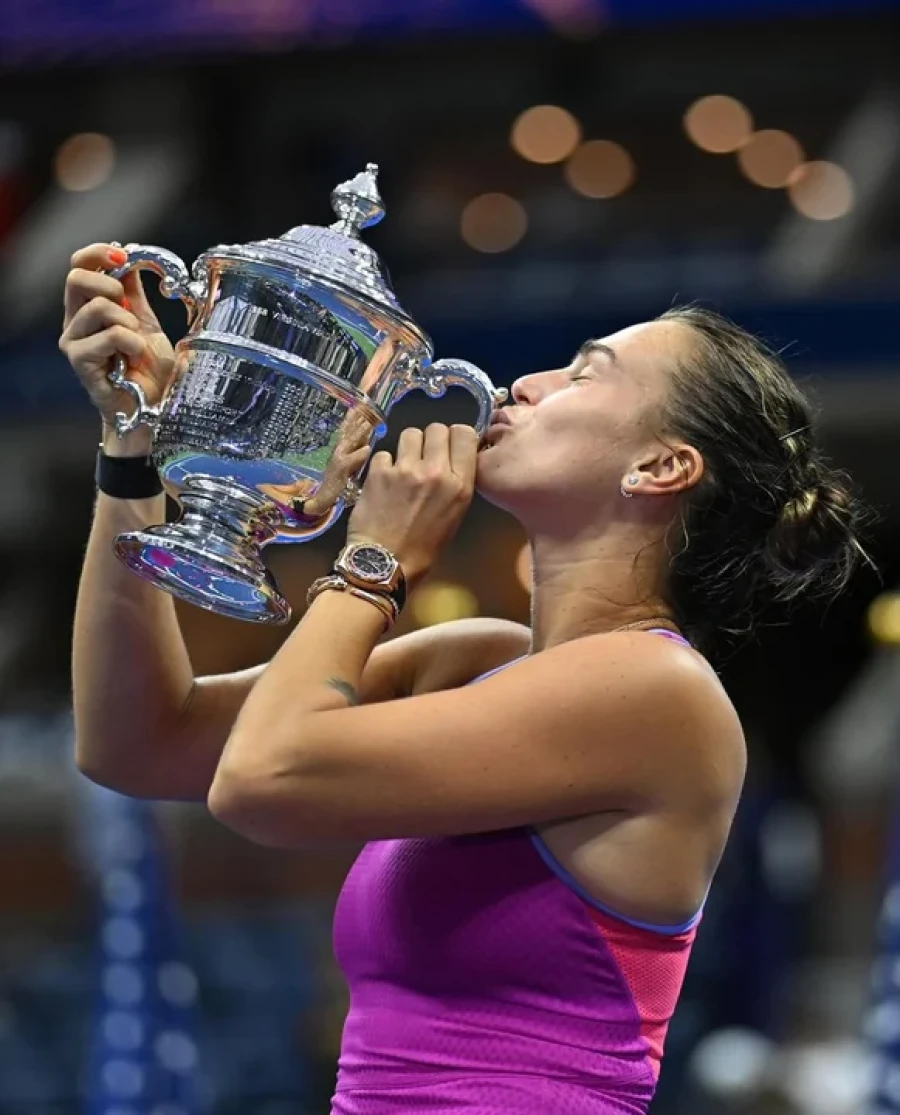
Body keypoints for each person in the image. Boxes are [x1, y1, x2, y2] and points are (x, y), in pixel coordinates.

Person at [61, 242, 869, 1115]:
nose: (528, 382)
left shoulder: (659, 694)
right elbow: (136, 742)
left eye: (583, 374)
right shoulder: (474, 659)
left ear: (660, 468)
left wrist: (376, 561)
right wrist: (133, 438)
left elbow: (261, 778)